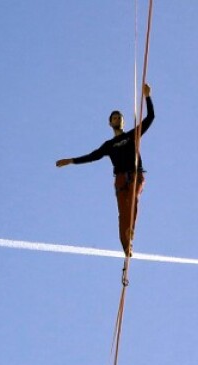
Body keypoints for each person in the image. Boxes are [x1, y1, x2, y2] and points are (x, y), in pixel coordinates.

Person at [56, 83, 154, 258]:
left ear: (123, 122)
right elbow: (93, 156)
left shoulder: (131, 135)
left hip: (135, 174)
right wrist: (71, 161)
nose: (118, 119)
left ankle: (130, 231)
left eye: (120, 117)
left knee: (133, 201)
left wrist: (148, 96)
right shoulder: (108, 145)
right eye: (115, 118)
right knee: (121, 213)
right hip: (120, 179)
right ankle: (126, 247)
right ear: (110, 123)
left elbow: (150, 118)